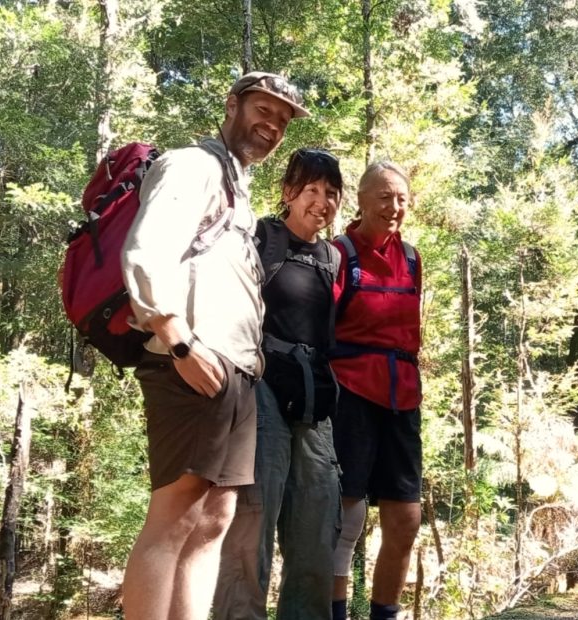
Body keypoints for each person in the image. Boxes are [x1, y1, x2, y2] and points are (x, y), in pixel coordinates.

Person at [119, 71, 309, 620]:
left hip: (233, 371)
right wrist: (177, 341)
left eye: (281, 120)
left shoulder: (236, 187)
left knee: (213, 518)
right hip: (191, 360)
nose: (271, 125)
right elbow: (146, 249)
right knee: (175, 515)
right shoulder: (194, 165)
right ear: (231, 106)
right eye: (262, 111)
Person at [214, 148, 344, 620]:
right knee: (251, 528)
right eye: (312, 190)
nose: (322, 201)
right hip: (260, 394)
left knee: (315, 532)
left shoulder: (331, 257)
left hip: (314, 403)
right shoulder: (261, 237)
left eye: (331, 193)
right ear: (289, 192)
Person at [329, 161, 423, 620]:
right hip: (351, 395)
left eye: (401, 198)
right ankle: (335, 612)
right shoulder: (339, 254)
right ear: (362, 200)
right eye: (384, 197)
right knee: (346, 518)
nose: (394, 207)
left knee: (405, 521)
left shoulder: (411, 258)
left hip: (403, 398)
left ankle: (385, 614)